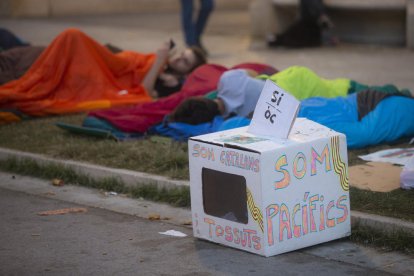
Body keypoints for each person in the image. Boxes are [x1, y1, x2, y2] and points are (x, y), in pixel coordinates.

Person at [167, 69, 414, 148]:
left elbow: (350, 135)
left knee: (355, 134)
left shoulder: (233, 122)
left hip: (361, 104)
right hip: (353, 101)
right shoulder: (235, 103)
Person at [0, 29, 207, 98]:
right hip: (102, 57)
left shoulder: (169, 82)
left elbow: (143, 92)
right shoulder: (162, 66)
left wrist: (160, 61)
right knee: (28, 52)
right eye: (181, 54)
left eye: (184, 61)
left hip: (99, 71)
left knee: (72, 36)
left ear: (186, 73)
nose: (178, 58)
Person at [267, 0, 337, 48]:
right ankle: (274, 38)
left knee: (290, 37)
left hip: (310, 26)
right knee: (290, 36)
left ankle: (274, 39)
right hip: (309, 26)